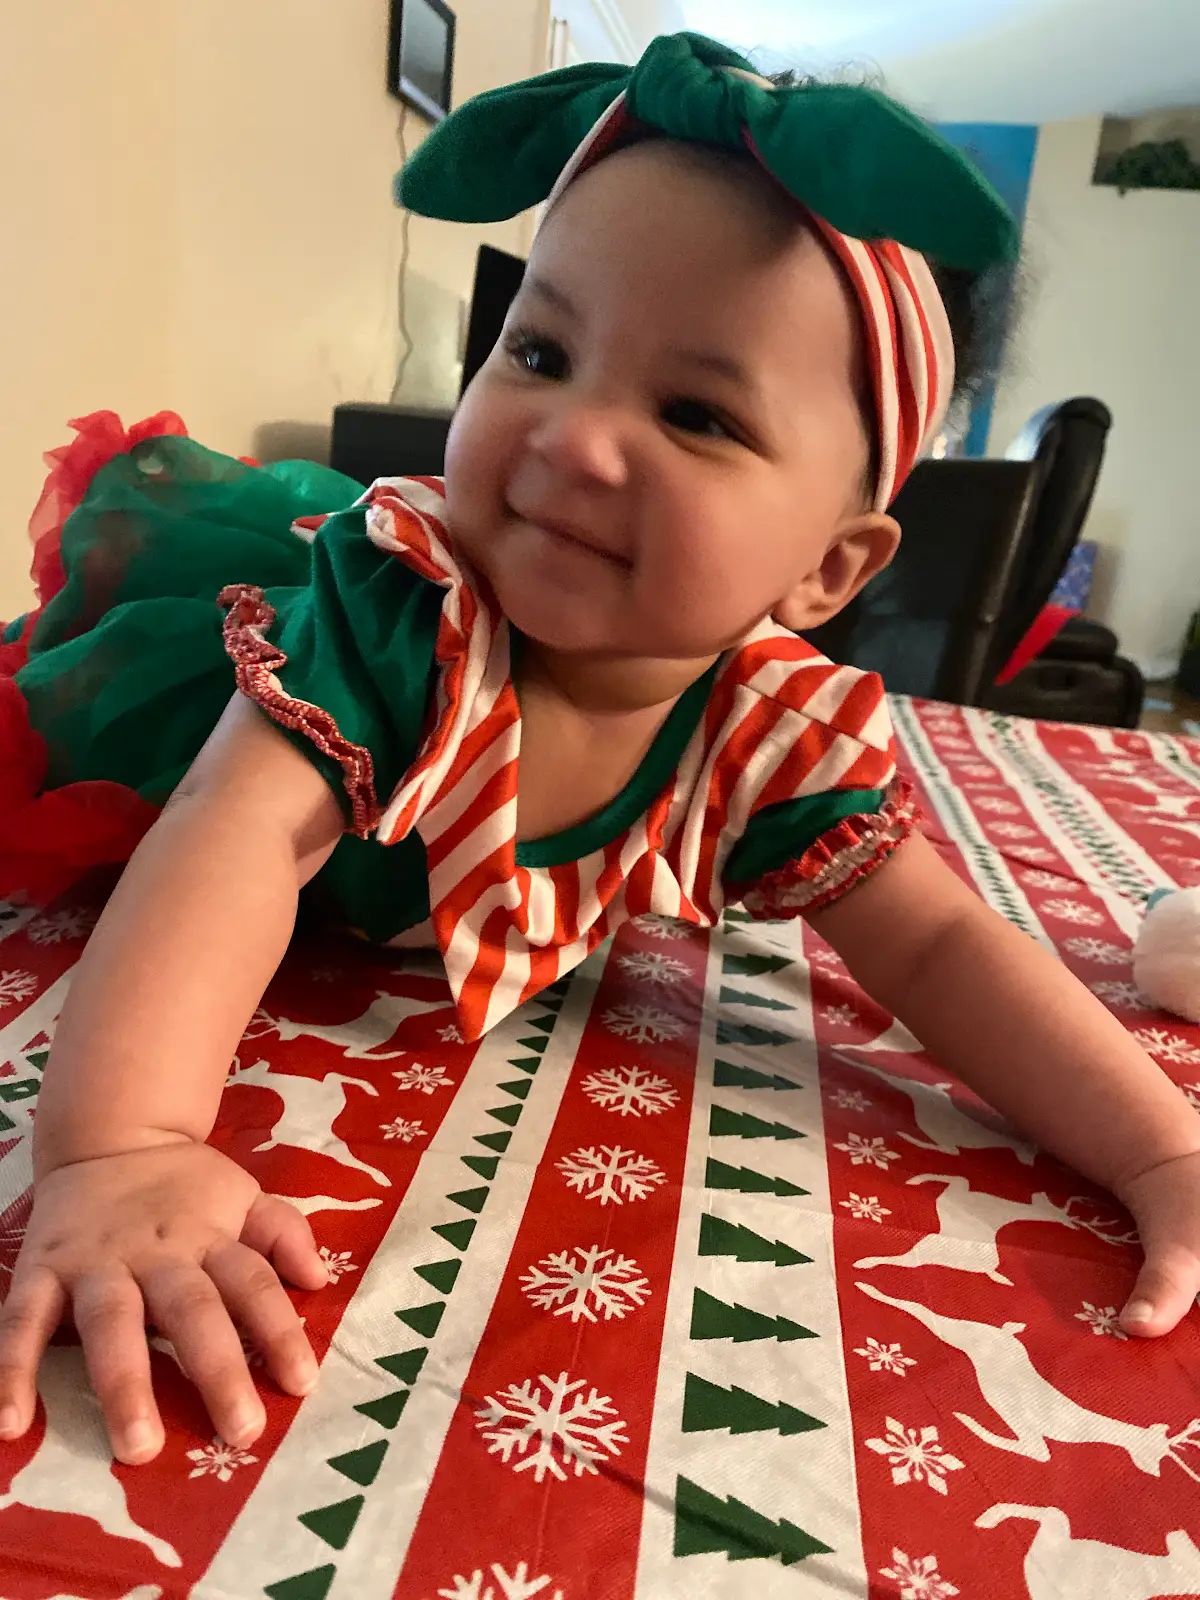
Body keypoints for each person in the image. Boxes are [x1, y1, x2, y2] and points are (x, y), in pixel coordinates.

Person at [0, 32, 1196, 1471]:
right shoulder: (402, 611)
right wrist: (121, 1144)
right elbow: (232, 831)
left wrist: (1162, 1149)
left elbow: (942, 948)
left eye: (695, 414)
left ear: (828, 569)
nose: (574, 438)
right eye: (543, 352)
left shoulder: (767, 734)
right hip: (167, 781)